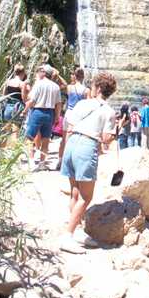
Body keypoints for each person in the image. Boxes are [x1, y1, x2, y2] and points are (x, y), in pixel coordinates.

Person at [60, 71, 117, 253]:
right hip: (87, 146)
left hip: (72, 143)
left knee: (75, 193)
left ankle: (76, 230)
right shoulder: (109, 111)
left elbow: (70, 125)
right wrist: (115, 132)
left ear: (98, 88)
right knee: (86, 197)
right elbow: (106, 138)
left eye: (92, 85)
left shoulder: (82, 103)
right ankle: (67, 236)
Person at [22, 64, 63, 171]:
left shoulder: (39, 84)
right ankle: (42, 163)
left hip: (37, 112)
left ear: (44, 73)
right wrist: (57, 116)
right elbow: (58, 104)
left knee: (29, 138)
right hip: (50, 113)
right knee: (46, 139)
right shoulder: (56, 86)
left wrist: (25, 110)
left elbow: (32, 100)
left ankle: (31, 161)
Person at [57, 68, 90, 169]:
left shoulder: (69, 88)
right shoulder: (86, 90)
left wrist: (58, 75)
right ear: (83, 77)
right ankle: (73, 162)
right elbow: (88, 105)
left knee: (64, 138)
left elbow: (62, 84)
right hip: (79, 115)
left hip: (69, 113)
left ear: (75, 76)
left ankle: (60, 161)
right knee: (77, 139)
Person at [1, 64, 29, 141]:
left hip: (7, 106)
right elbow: (24, 98)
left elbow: (3, 95)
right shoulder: (22, 84)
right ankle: (12, 147)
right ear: (23, 73)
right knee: (15, 130)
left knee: (5, 129)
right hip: (17, 108)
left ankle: (2, 146)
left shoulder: (8, 82)